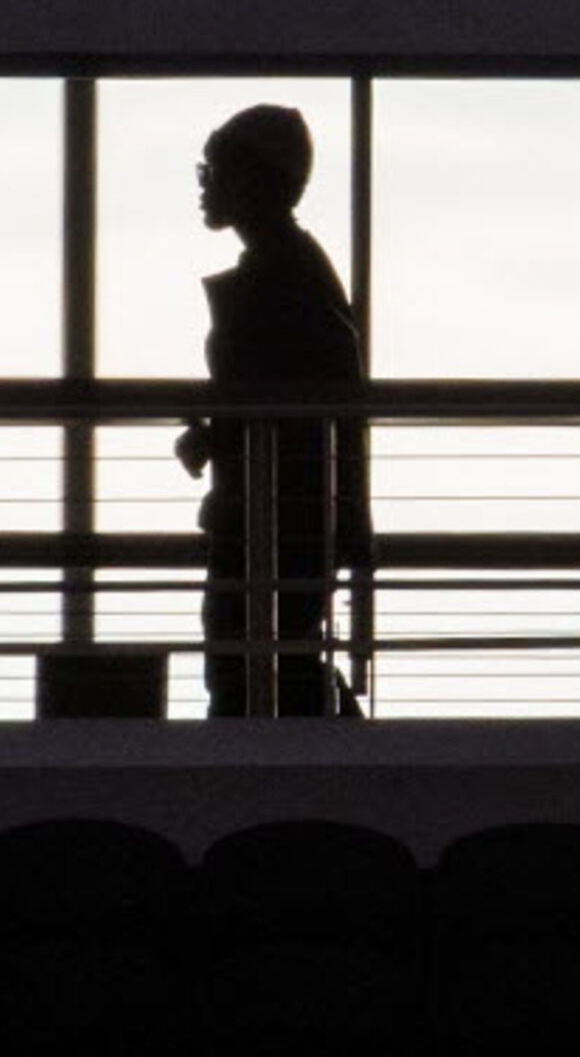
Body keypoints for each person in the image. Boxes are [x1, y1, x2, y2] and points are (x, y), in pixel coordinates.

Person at [177, 104, 367, 717]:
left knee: (249, 661)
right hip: (282, 510)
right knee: (268, 655)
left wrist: (223, 431)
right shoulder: (295, 272)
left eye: (215, 168)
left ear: (254, 178)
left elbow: (291, 394)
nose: (204, 182)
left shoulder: (280, 278)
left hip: (274, 515)